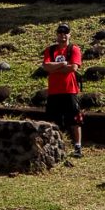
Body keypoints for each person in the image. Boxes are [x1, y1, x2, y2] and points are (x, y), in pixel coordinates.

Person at [42, 23, 83, 157]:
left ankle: (77, 147)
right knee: (53, 120)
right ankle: (54, 146)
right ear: (56, 34)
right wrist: (62, 64)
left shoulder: (74, 49)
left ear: (69, 34)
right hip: (54, 91)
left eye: (65, 33)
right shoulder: (50, 50)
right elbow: (46, 66)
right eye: (60, 32)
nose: (62, 35)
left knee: (74, 120)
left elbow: (73, 68)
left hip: (70, 90)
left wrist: (56, 68)